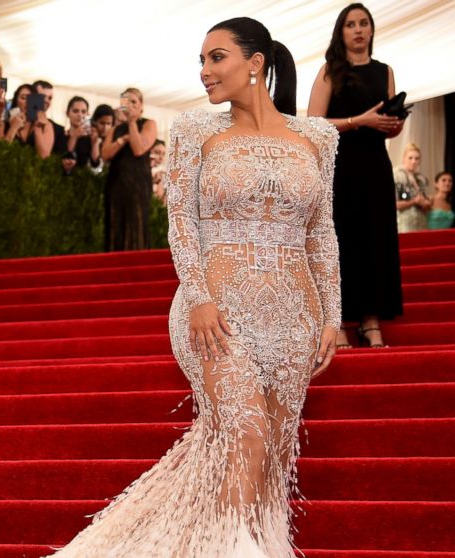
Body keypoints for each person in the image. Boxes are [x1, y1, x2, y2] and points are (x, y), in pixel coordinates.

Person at [48, 17, 340, 557]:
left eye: (216, 57)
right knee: (246, 435)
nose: (204, 71)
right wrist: (200, 298)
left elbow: (321, 232)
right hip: (215, 313)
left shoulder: (319, 137)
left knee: (269, 459)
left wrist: (330, 317)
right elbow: (180, 221)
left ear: (256, 63)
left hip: (296, 318)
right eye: (201, 60)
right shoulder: (193, 130)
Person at [308, 2, 403, 349]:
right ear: (341, 31)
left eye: (364, 23)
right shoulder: (329, 71)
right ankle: (339, 323)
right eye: (351, 24)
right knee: (343, 242)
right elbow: (313, 124)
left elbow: (388, 126)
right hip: (341, 167)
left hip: (376, 165)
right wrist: (358, 121)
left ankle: (371, 320)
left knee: (377, 241)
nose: (359, 29)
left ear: (372, 30)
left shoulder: (384, 70)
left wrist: (392, 124)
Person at [100, 87, 158, 251]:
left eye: (134, 102)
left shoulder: (148, 124)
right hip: (116, 183)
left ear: (141, 106)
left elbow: (139, 149)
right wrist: (122, 140)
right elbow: (105, 154)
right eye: (126, 102)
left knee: (136, 224)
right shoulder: (115, 129)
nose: (130, 105)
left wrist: (132, 123)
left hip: (138, 184)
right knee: (115, 224)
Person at [393, 142, 431, 233]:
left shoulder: (421, 179)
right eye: (410, 158)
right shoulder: (397, 176)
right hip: (404, 225)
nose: (414, 161)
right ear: (404, 158)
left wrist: (426, 203)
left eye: (417, 158)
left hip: (421, 224)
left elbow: (427, 204)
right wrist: (414, 201)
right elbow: (395, 204)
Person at [62, 96, 100, 174]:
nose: (80, 115)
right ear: (67, 113)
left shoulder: (91, 138)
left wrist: (95, 143)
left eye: (83, 112)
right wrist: (74, 137)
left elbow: (95, 165)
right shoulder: (61, 136)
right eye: (75, 111)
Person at [31, 80, 67, 157]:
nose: (46, 100)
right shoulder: (19, 120)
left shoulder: (58, 129)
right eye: (43, 96)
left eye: (50, 98)